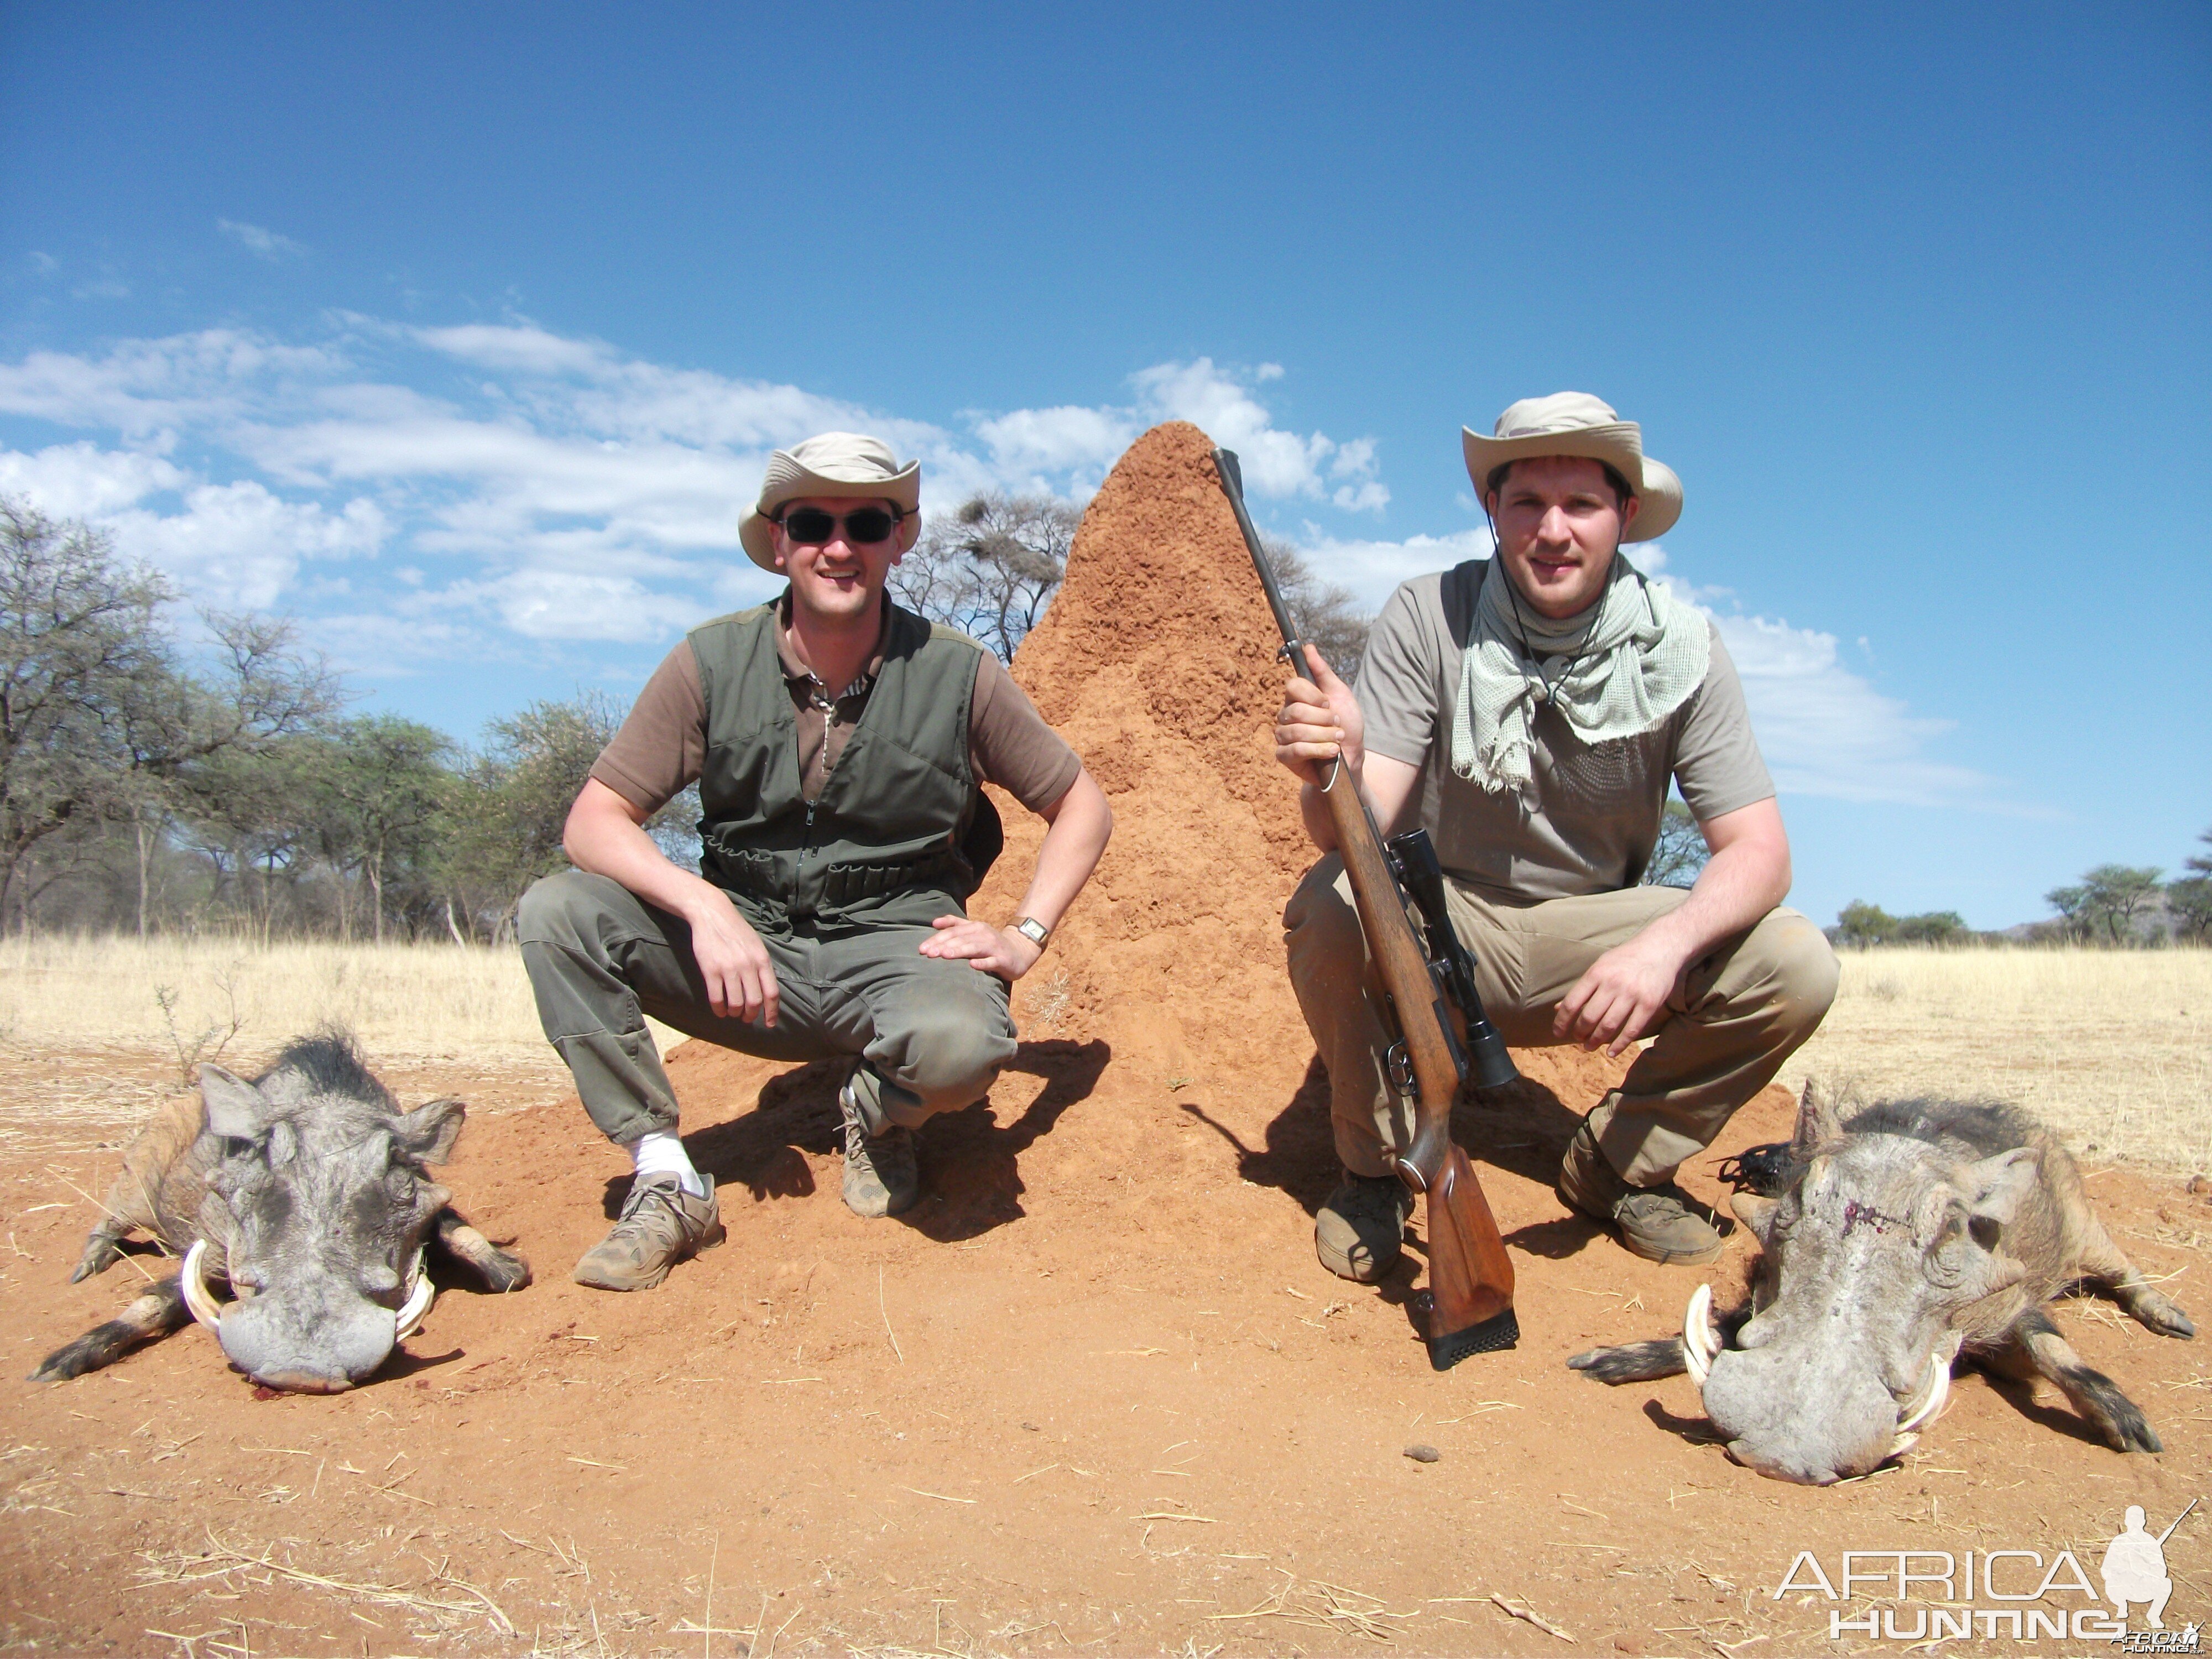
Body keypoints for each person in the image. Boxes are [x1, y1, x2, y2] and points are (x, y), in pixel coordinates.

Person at [519, 433, 1112, 1290]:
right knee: (557, 913)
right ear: (780, 541)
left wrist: (1026, 935)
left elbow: (1082, 806)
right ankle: (665, 1176)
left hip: (898, 949)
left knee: (961, 1047)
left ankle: (879, 1115)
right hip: (746, 962)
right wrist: (705, 908)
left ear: (899, 540)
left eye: (867, 522)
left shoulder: (958, 672)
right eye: (813, 523)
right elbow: (594, 821)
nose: (840, 546)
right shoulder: (708, 662)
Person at [1273, 393, 1837, 1278]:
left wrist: (1662, 949)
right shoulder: (1429, 614)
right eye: (1527, 502)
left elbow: (1762, 853)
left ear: (1629, 517)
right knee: (1332, 902)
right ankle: (1376, 1170)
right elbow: (1351, 831)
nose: (1553, 529)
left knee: (1797, 962)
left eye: (1581, 504)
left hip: (1599, 945)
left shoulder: (1685, 646)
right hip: (1443, 927)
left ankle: (1614, 1166)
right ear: (1491, 512)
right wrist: (1334, 769)